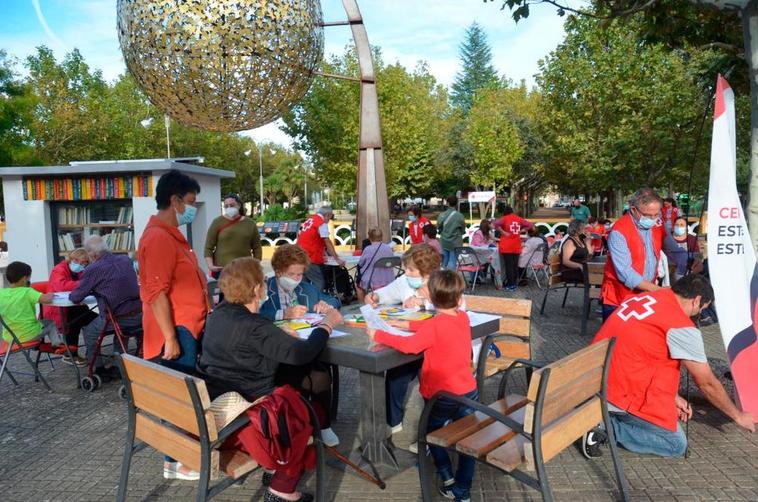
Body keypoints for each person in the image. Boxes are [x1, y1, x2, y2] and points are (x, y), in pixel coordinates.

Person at [197, 257, 344, 502]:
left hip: (219, 398)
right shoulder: (255, 326)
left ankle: (274, 471)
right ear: (257, 289)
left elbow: (250, 341)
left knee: (310, 384)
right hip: (250, 410)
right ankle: (282, 489)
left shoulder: (219, 314)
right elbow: (302, 353)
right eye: (263, 283)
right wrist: (327, 325)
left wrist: (277, 334)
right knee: (308, 414)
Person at [585, 274, 754, 458]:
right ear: (696, 300)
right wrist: (737, 415)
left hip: (595, 377)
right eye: (702, 310)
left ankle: (603, 418)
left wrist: (672, 397)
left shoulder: (646, 297)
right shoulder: (680, 325)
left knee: (667, 415)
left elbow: (641, 350)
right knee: (675, 444)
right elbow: (707, 383)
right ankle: (605, 428)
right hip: (618, 391)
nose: (699, 316)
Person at [368, 269, 477, 502]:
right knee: (469, 439)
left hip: (442, 395)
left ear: (431, 298)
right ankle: (462, 490)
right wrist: (407, 325)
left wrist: (379, 334)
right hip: (468, 390)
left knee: (430, 433)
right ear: (459, 299)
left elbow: (410, 347)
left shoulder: (433, 326)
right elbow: (435, 329)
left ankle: (447, 476)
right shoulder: (463, 318)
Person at [136, 169, 209, 480]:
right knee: (180, 400)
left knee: (185, 396)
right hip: (176, 332)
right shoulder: (158, 238)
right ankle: (177, 461)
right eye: (190, 202)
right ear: (175, 200)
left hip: (186, 328)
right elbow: (155, 292)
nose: (193, 209)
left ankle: (181, 458)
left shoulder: (173, 237)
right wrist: (170, 337)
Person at [364, 244, 441, 436]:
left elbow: (457, 305)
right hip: (409, 344)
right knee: (396, 375)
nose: (406, 272)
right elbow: (386, 293)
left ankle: (435, 426)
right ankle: (394, 423)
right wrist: (374, 296)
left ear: (427, 272)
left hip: (435, 347)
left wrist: (424, 302)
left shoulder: (442, 282)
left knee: (430, 379)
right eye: (406, 268)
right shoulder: (405, 281)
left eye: (411, 269)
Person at [601, 188, 686, 321]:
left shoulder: (658, 225)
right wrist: (658, 290)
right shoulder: (619, 231)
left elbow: (673, 250)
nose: (653, 219)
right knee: (618, 341)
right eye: (647, 215)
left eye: (657, 214)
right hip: (619, 299)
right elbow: (625, 273)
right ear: (633, 209)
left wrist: (690, 258)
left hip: (645, 297)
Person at [69, 235, 143, 381]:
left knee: (90, 331)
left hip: (117, 318)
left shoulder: (93, 269)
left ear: (92, 254)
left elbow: (76, 297)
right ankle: (118, 366)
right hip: (139, 315)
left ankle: (98, 368)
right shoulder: (124, 259)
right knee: (120, 330)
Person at [260, 244, 341, 321]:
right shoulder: (264, 290)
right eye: (291, 274)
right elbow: (254, 313)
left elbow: (334, 301)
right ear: (278, 272)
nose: (295, 279)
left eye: (299, 274)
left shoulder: (307, 288)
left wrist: (327, 306)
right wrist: (283, 314)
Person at [44, 248, 96, 366]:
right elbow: (62, 286)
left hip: (73, 306)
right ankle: (70, 354)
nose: (84, 265)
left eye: (86, 262)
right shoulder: (58, 269)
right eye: (82, 262)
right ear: (72, 259)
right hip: (58, 309)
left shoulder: (78, 271)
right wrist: (84, 284)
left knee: (92, 318)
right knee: (75, 320)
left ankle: (93, 351)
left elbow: (84, 282)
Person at [204, 193, 262, 279]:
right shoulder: (217, 222)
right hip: (223, 270)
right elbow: (208, 247)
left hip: (244, 270)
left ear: (239, 205)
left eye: (231, 205)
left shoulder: (250, 223)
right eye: (226, 206)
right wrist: (210, 266)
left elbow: (257, 247)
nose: (229, 208)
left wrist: (255, 265)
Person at [0, 261, 55, 348]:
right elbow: (47, 300)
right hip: (29, 335)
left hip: (10, 337)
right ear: (25, 278)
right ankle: (58, 345)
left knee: (40, 323)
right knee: (50, 323)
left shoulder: (1, 293)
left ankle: (37, 347)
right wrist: (51, 294)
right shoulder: (27, 291)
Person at [297, 205, 345, 291]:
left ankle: (306, 301)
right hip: (310, 257)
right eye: (330, 218)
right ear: (328, 215)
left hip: (300, 255)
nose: (329, 220)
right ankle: (316, 302)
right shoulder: (321, 223)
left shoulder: (310, 220)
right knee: (319, 282)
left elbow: (313, 239)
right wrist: (337, 259)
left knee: (304, 283)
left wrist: (325, 253)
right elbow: (327, 241)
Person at [493, 205, 533, 292]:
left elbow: (494, 224)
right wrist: (521, 231)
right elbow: (530, 225)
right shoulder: (519, 219)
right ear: (512, 211)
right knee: (514, 265)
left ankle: (510, 285)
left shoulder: (504, 218)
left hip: (506, 245)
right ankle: (514, 283)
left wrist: (502, 231)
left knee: (508, 266)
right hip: (516, 245)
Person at [355, 228, 396, 303]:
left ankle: (362, 306)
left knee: (358, 286)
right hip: (389, 280)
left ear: (369, 238)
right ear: (382, 237)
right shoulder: (388, 248)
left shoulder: (368, 249)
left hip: (373, 281)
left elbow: (361, 263)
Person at [437, 195, 466, 270]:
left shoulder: (442, 215)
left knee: (444, 261)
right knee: (452, 262)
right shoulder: (460, 216)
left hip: (444, 241)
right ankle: (450, 279)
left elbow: (439, 228)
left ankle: (442, 278)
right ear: (456, 204)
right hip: (455, 242)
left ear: (447, 203)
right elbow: (463, 229)